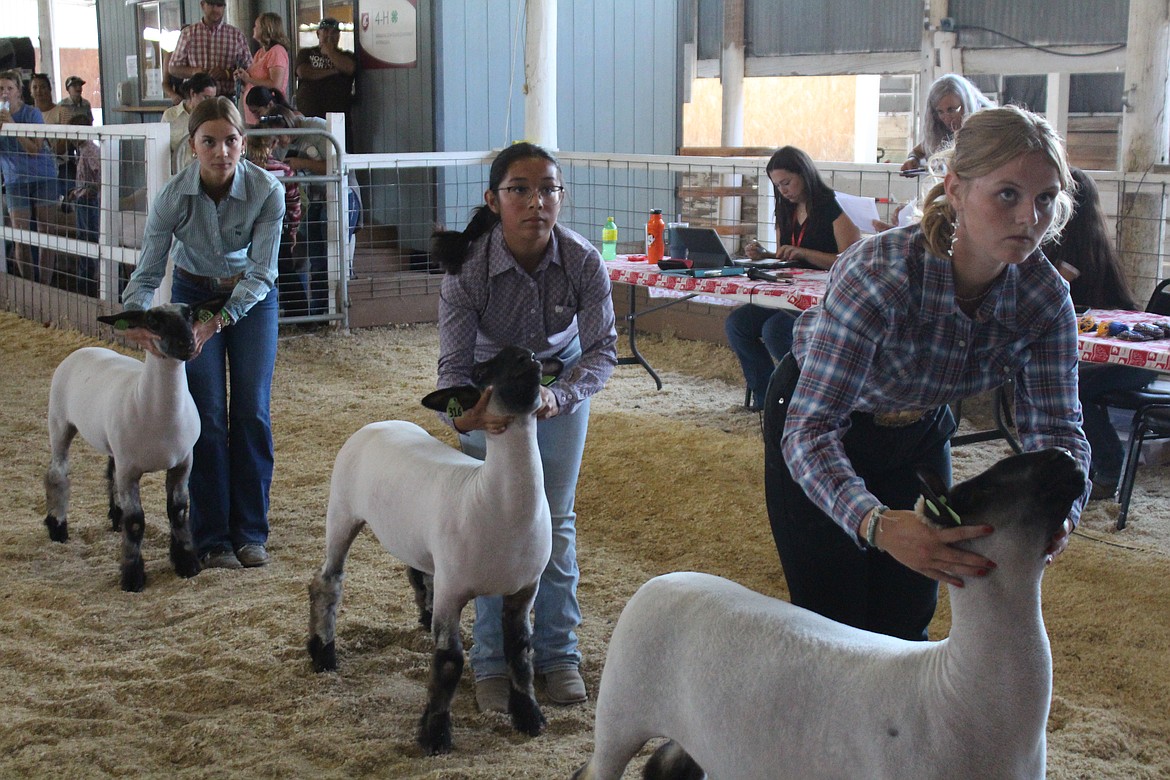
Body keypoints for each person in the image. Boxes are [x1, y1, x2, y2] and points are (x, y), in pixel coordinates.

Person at [763, 105, 1090, 642]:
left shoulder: (1044, 296)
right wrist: (878, 522)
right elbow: (811, 429)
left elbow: (1057, 431)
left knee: (907, 614)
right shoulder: (881, 274)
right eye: (1007, 194)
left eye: (1045, 199)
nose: (1029, 218)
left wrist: (1061, 508)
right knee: (834, 620)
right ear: (956, 190)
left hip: (918, 426)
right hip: (817, 417)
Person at [430, 142, 617, 712]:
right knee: (490, 529)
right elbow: (452, 371)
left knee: (555, 521)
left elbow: (604, 351)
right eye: (520, 190)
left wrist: (560, 398)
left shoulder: (583, 261)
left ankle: (557, 653)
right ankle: (491, 661)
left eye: (548, 190)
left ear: (561, 196)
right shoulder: (469, 271)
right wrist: (464, 414)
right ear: (494, 199)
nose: (537, 202)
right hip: (492, 397)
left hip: (556, 393)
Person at [120, 96, 285, 570]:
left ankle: (251, 531)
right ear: (192, 146)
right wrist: (134, 320)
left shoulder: (267, 191)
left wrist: (219, 322)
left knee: (251, 408)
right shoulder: (173, 197)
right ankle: (211, 535)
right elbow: (148, 271)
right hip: (194, 292)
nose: (221, 151)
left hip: (251, 296)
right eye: (209, 141)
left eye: (231, 140)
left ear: (243, 143)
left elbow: (261, 273)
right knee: (207, 414)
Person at [1043, 167, 1157, 501]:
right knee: (1066, 385)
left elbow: (1050, 299)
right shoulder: (1085, 246)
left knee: (1070, 389)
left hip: (1126, 361)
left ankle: (1109, 468)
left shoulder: (1077, 254)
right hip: (1114, 360)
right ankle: (1087, 464)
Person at [728, 146, 860, 408]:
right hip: (787, 294)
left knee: (775, 329)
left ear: (804, 173)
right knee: (738, 323)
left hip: (826, 298)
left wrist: (805, 253)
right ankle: (767, 399)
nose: (783, 191)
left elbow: (849, 259)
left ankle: (805, 401)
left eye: (786, 182)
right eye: (777, 186)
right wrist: (764, 254)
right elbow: (785, 257)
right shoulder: (785, 209)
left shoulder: (834, 206)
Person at [0, 70, 60, 283]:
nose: (5, 93)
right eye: (1, 89)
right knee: (20, 236)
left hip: (43, 176)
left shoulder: (32, 113)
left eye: (9, 88)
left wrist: (11, 126)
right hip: (15, 180)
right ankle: (28, 286)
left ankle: (45, 286)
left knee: (46, 232)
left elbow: (35, 148)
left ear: (18, 92)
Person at [901, 73, 994, 175]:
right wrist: (912, 159)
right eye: (940, 112)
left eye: (952, 110)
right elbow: (920, 150)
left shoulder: (989, 126)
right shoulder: (943, 131)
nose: (947, 118)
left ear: (967, 103)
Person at [167, 0, 252, 100]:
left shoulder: (236, 35)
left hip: (226, 98)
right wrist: (194, 72)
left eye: (219, 5)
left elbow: (250, 69)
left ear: (224, 7)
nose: (215, 9)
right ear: (202, 5)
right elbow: (173, 68)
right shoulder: (188, 33)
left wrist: (227, 73)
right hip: (196, 98)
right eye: (211, 4)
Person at [294, 17, 357, 120]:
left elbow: (349, 68)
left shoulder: (346, 55)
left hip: (337, 115)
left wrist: (330, 52)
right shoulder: (306, 53)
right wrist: (333, 71)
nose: (330, 35)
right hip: (309, 114)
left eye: (334, 33)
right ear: (318, 33)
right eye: (326, 31)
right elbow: (303, 72)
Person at [236, 12, 290, 126]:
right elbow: (254, 78)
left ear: (266, 29)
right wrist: (243, 78)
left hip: (267, 111)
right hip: (253, 113)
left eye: (257, 26)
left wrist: (249, 79)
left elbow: (276, 84)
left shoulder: (277, 52)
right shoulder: (260, 52)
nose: (254, 29)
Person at [161, 72, 217, 174]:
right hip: (176, 174)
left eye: (213, 99)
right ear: (192, 94)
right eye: (206, 97)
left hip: (203, 174)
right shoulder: (170, 116)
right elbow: (162, 150)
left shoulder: (213, 117)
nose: (209, 103)